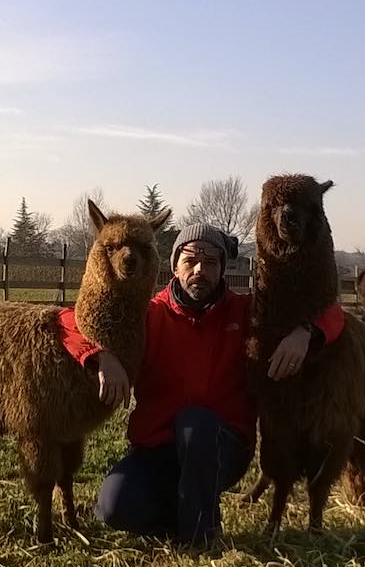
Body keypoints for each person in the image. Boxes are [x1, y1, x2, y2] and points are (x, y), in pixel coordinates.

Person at [58, 222, 344, 548]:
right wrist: (100, 355)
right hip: (159, 446)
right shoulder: (148, 314)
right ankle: (188, 510)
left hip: (220, 445)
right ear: (175, 266)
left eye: (210, 262)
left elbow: (331, 312)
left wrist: (305, 332)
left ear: (222, 269)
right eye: (190, 260)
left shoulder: (246, 312)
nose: (199, 270)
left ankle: (201, 535)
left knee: (195, 423)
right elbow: (69, 320)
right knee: (114, 507)